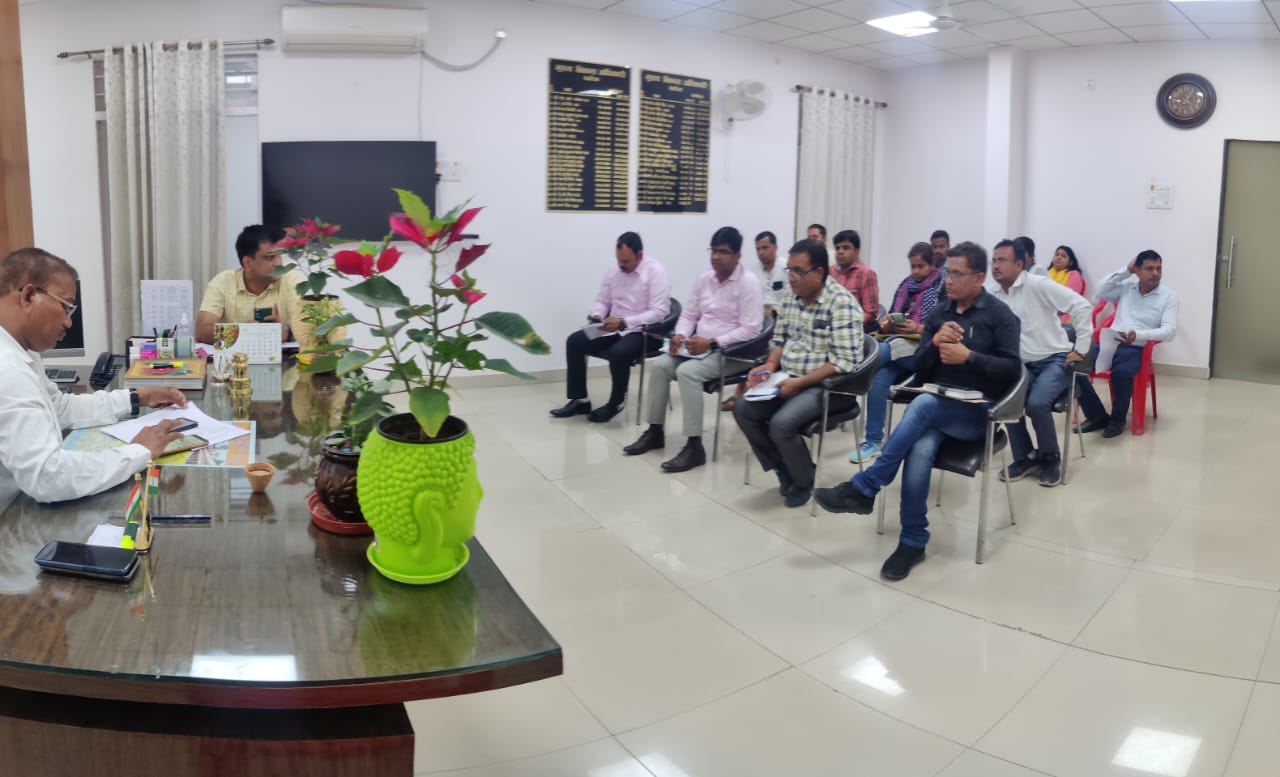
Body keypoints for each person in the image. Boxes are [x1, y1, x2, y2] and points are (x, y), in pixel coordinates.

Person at [814, 242, 1021, 582]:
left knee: (922, 406)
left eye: (958, 274)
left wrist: (969, 357)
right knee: (920, 448)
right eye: (948, 273)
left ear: (978, 277)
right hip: (937, 401)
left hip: (978, 412)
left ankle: (866, 486)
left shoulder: (1000, 316)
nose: (949, 280)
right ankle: (913, 539)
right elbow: (921, 370)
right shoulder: (939, 313)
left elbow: (1013, 371)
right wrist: (934, 344)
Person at [0, 248, 190, 509]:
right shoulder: (8, 368)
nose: (68, 323)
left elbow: (60, 408)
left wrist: (136, 398)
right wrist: (138, 451)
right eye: (65, 307)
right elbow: (48, 477)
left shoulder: (22, 352)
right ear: (29, 296)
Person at [734, 239, 863, 507]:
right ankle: (785, 468)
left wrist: (800, 383)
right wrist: (770, 365)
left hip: (830, 386)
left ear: (818, 272)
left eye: (798, 271)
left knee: (782, 423)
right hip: (789, 377)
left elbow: (843, 362)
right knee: (743, 408)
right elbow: (779, 340)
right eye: (789, 270)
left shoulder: (842, 304)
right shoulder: (791, 299)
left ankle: (804, 481)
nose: (791, 277)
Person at [624, 227, 762, 472]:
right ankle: (655, 431)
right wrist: (680, 335)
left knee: (687, 373)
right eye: (713, 251)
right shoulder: (704, 279)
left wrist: (713, 343)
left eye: (723, 252)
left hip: (733, 353)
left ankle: (694, 446)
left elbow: (751, 330)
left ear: (737, 255)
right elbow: (689, 315)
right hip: (700, 348)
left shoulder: (748, 282)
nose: (716, 257)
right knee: (661, 366)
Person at [989, 239, 1093, 487]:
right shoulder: (992, 295)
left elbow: (1081, 306)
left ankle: (1049, 458)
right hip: (1020, 365)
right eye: (993, 261)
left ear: (1019, 264)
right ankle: (1025, 457)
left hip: (1053, 360)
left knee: (1036, 404)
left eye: (1002, 260)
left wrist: (1081, 349)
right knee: (1007, 400)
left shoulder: (1038, 285)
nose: (996, 266)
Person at [551, 232, 671, 423]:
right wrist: (597, 315)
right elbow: (602, 300)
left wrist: (624, 322)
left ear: (640, 255)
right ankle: (580, 400)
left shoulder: (655, 272)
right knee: (575, 341)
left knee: (618, 353)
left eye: (626, 261)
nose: (621, 265)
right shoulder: (614, 270)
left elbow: (659, 313)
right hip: (612, 327)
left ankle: (616, 403)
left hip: (643, 332)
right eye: (618, 259)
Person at [850, 242, 943, 464]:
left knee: (881, 351)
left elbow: (944, 326)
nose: (916, 271)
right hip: (899, 346)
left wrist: (918, 328)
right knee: (879, 377)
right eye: (913, 266)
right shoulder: (905, 285)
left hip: (925, 352)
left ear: (932, 265)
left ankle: (850, 374)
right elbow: (892, 313)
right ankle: (873, 440)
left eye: (921, 266)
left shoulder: (941, 288)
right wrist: (887, 324)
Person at [1076, 250, 1178, 438]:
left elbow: (1169, 331)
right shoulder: (1126, 288)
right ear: (1137, 270)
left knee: (1121, 373)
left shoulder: (1168, 296)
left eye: (1159, 268)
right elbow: (1099, 291)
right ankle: (1097, 415)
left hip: (1136, 349)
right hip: (1109, 343)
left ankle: (1117, 420)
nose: (1156, 273)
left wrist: (1138, 335)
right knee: (1075, 366)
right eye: (1149, 269)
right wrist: (1126, 270)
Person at [196, 225, 299, 344]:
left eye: (279, 255)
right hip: (235, 356)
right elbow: (202, 330)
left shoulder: (290, 279)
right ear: (248, 263)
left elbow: (308, 327)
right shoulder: (223, 282)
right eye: (270, 257)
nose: (278, 263)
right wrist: (244, 332)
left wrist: (286, 331)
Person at [721, 231, 788, 413]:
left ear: (775, 247)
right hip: (760, 319)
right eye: (758, 249)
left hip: (781, 320)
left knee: (761, 343)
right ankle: (741, 393)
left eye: (765, 248)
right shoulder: (752, 270)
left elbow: (792, 300)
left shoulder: (786, 268)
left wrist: (773, 312)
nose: (761, 253)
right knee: (747, 338)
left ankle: (743, 394)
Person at [830, 229, 879, 331]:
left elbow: (870, 312)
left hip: (857, 330)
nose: (840, 252)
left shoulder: (866, 274)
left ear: (857, 251)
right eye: (837, 248)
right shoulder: (831, 272)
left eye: (846, 248)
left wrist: (847, 325)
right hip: (831, 326)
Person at [1049, 245, 1086, 324]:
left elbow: (1067, 300)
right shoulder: (1047, 272)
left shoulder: (1074, 275)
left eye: (1063, 256)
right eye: (1057, 254)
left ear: (1070, 262)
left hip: (1064, 316)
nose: (1059, 257)